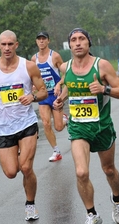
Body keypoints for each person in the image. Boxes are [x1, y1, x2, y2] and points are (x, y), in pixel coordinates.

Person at [53, 28, 119, 224]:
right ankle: (92, 215)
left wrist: (104, 89)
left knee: (109, 170)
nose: (77, 43)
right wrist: (62, 99)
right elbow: (69, 86)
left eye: (82, 39)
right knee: (81, 172)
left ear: (89, 43)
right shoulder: (65, 67)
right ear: (70, 45)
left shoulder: (101, 65)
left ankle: (117, 200)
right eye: (73, 40)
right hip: (79, 127)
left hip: (102, 127)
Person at [0, 30, 47, 221]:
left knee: (25, 168)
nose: (7, 48)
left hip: (26, 124)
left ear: (16, 45)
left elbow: (43, 92)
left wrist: (32, 96)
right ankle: (20, 155)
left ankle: (30, 204)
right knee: (11, 172)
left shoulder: (29, 66)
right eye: (4, 44)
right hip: (4, 127)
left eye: (11, 44)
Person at [31, 31, 67, 162]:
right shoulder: (33, 59)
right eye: (39, 39)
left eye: (43, 39)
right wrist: (34, 86)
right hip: (43, 96)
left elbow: (65, 73)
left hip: (56, 95)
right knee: (46, 123)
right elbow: (33, 77)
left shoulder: (55, 56)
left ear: (48, 41)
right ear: (36, 42)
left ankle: (65, 120)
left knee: (58, 127)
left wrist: (59, 84)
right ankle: (56, 151)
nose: (41, 41)